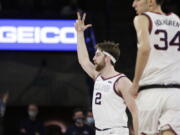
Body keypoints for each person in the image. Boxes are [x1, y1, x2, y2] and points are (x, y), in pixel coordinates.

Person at [75, 12, 138, 135]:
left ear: (107, 59)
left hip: (117, 131)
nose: (94, 58)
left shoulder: (122, 81)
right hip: (99, 131)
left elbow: (135, 112)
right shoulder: (97, 75)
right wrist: (79, 33)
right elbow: (83, 60)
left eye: (97, 55)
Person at [130, 0, 180, 134]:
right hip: (176, 93)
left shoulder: (142, 18)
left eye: (137, 0)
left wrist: (135, 83)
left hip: (150, 92)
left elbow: (145, 48)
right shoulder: (177, 20)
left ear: (151, 1)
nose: (133, 4)